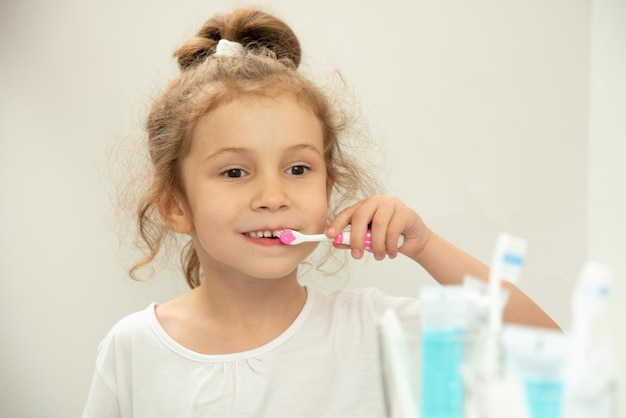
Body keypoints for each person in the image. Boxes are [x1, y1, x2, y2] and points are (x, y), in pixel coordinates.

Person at [82, 7, 559, 417]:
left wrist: (428, 247)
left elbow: (553, 354)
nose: (273, 196)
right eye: (234, 172)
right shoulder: (133, 350)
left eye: (297, 168)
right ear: (175, 205)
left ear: (329, 188)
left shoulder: (376, 329)